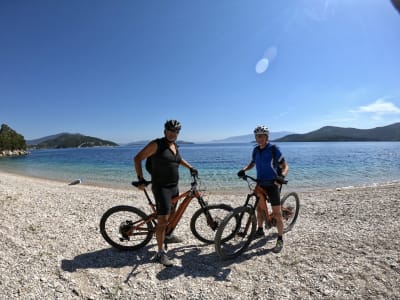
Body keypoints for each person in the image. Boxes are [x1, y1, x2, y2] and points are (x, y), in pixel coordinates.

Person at [133, 120, 198, 266]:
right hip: (161, 187)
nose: (173, 133)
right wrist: (141, 178)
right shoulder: (156, 144)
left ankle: (167, 236)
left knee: (173, 213)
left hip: (174, 186)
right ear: (165, 131)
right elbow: (137, 158)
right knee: (163, 220)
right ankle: (160, 252)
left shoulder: (174, 145)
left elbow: (178, 159)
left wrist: (190, 167)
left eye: (176, 131)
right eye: (170, 130)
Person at [237, 125, 289, 253]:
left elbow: (285, 166)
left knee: (277, 214)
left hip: (273, 184)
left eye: (261, 136)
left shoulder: (273, 149)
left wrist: (281, 177)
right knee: (259, 209)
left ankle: (280, 238)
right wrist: (244, 169)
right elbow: (252, 163)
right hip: (260, 183)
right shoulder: (255, 150)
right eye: (257, 136)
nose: (258, 138)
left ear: (267, 137)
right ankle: (260, 230)